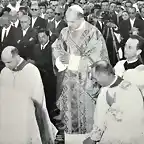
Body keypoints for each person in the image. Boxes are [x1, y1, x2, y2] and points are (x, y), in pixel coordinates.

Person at [52, 5, 109, 134]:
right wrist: (59, 59)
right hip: (68, 85)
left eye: (72, 21)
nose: (69, 24)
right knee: (69, 124)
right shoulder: (64, 32)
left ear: (81, 18)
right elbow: (56, 47)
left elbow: (99, 59)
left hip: (85, 85)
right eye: (67, 21)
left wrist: (72, 60)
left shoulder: (93, 33)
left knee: (87, 124)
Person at [0, 46, 57, 144]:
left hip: (27, 115)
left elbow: (38, 98)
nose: (6, 65)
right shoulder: (4, 72)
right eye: (3, 62)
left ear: (17, 57)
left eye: (9, 62)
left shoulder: (31, 70)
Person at [88, 60, 144, 144]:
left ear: (103, 75)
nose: (94, 82)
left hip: (117, 138)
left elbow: (99, 123)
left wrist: (92, 139)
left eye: (95, 78)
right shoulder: (132, 86)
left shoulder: (104, 93)